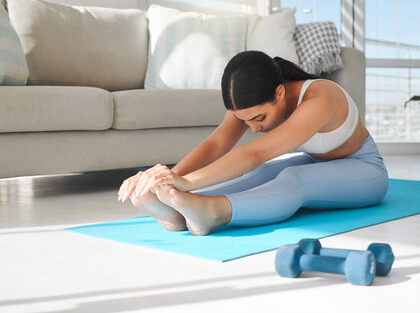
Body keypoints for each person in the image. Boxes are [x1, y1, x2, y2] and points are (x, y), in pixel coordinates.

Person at [117, 51, 388, 236]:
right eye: (244, 121)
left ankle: (214, 212)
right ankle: (178, 211)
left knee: (294, 178)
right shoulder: (251, 101)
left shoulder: (320, 98)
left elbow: (256, 152)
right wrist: (170, 178)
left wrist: (188, 182)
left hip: (365, 170)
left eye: (259, 118)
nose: (254, 127)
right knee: (263, 174)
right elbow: (217, 144)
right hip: (318, 162)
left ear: (280, 93)